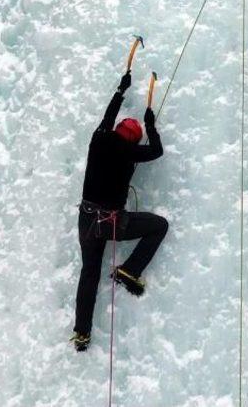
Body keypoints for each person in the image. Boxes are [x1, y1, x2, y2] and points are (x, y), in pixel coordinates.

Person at [72, 71, 168, 352]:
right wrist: (150, 123)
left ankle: (81, 334)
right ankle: (129, 270)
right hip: (112, 221)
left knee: (89, 272)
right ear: (133, 139)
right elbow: (157, 150)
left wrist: (120, 90)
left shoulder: (99, 137)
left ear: (116, 129)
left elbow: (107, 115)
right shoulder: (130, 152)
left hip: (86, 220)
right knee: (158, 226)